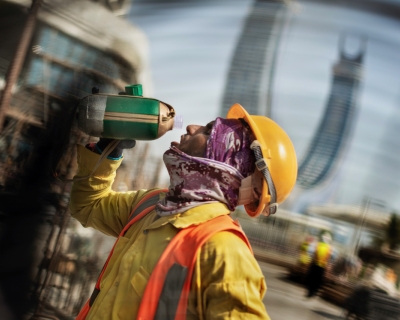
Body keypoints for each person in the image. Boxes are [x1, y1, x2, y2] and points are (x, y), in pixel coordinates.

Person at [69, 102, 297, 319]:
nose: (191, 127)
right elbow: (88, 206)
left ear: (231, 163)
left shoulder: (223, 251)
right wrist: (106, 150)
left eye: (208, 132)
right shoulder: (151, 205)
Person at [304, 231, 334, 298]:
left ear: (322, 238)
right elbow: (331, 257)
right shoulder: (329, 248)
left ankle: (310, 292)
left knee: (311, 278)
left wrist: (310, 261)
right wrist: (329, 265)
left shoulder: (317, 244)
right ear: (329, 240)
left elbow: (311, 253)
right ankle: (314, 292)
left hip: (315, 265)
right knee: (318, 280)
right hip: (322, 267)